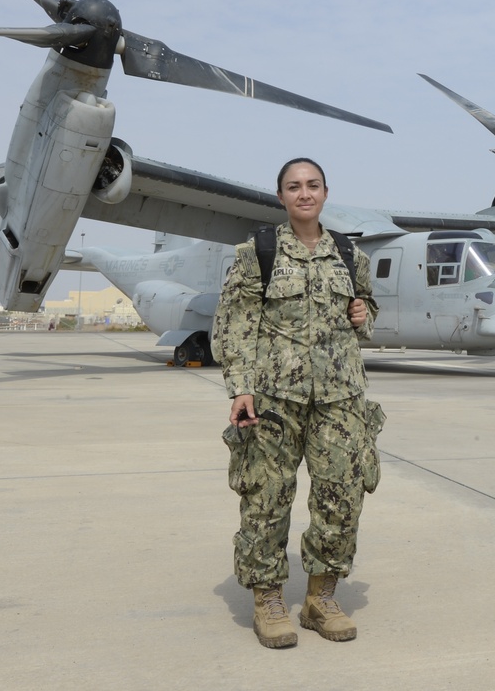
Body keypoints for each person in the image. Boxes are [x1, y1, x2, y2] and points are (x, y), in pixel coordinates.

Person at [211, 157, 383, 649]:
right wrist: (240, 387)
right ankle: (267, 599)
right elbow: (234, 323)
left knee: (342, 497)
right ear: (282, 197)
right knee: (266, 499)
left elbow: (367, 311)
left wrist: (360, 312)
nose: (304, 193)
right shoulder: (257, 253)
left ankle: (321, 599)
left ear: (326, 193)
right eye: (293, 186)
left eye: (312, 185)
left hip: (340, 397)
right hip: (274, 397)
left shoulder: (352, 256)